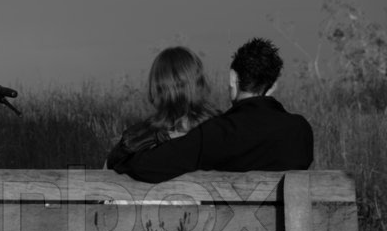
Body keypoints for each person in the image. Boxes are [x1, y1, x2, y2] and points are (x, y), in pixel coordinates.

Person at [108, 37, 314, 183]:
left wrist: (125, 156)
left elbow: (147, 166)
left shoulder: (217, 133)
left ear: (233, 78)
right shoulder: (301, 130)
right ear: (275, 84)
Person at [106, 46, 220, 169]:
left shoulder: (138, 139)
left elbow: (106, 171)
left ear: (157, 88)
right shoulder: (224, 129)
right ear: (200, 83)